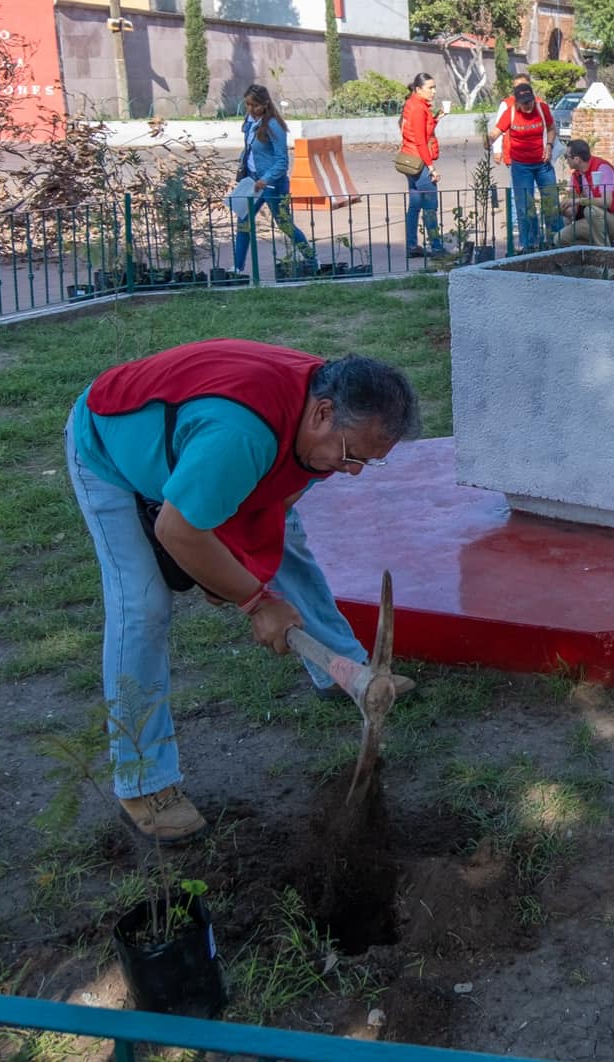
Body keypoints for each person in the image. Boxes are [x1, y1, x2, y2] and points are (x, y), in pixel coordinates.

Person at [67, 341, 420, 842]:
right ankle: (143, 782)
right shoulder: (241, 435)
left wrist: (233, 569)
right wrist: (255, 600)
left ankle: (345, 671)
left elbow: (276, 499)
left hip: (199, 451)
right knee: (141, 607)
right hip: (110, 446)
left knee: (287, 541)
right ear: (322, 412)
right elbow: (178, 532)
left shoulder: (321, 416)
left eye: (368, 462)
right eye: (351, 455)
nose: (354, 470)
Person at [231, 84, 313, 274]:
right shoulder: (250, 121)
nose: (251, 109)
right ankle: (236, 268)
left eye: (255, 105)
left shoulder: (274, 125)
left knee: (283, 223)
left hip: (271, 184)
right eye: (248, 105)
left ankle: (310, 258)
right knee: (244, 222)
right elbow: (251, 149)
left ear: (265, 104)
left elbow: (282, 161)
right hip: (252, 181)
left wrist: (266, 179)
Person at [489, 76, 558, 248]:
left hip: (543, 163)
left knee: (551, 201)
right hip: (521, 165)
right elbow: (496, 132)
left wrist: (549, 145)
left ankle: (556, 240)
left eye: (530, 102)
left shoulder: (542, 108)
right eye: (524, 104)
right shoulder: (510, 112)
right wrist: (491, 141)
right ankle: (529, 244)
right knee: (525, 205)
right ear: (517, 102)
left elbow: (550, 128)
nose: (528, 107)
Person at [397, 72, 443, 259]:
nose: (434, 91)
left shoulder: (415, 104)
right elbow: (421, 141)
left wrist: (437, 118)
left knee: (415, 205)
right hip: (419, 161)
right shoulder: (417, 107)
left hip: (411, 160)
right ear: (418, 89)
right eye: (430, 88)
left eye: (434, 87)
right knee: (430, 205)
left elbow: (424, 130)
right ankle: (437, 247)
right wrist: (431, 167)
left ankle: (412, 246)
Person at [555, 138, 614, 246]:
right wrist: (564, 211)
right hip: (593, 220)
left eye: (567, 157)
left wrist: (578, 200)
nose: (566, 160)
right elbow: (573, 212)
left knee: (590, 210)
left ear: (577, 159)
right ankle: (600, 247)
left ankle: (604, 254)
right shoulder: (576, 176)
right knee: (560, 239)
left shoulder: (602, 168)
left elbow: (607, 202)